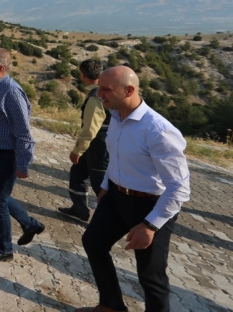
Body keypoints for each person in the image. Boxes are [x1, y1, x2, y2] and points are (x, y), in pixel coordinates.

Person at [78, 66, 190, 312]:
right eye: (99, 88)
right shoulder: (116, 117)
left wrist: (150, 226)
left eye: (106, 89)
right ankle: (112, 305)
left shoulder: (158, 130)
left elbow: (179, 188)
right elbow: (116, 158)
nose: (99, 93)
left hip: (151, 206)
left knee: (150, 274)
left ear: (129, 90)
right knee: (94, 243)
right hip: (117, 196)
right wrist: (107, 186)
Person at [0, 48, 45, 263]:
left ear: (0, 68)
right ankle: (30, 224)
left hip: (9, 156)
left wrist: (23, 164)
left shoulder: (11, 93)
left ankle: (4, 248)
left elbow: (24, 132)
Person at [58, 59, 110, 223]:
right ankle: (79, 209)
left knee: (99, 185)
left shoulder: (96, 97)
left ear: (83, 75)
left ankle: (106, 222)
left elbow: (90, 129)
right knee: (77, 174)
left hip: (98, 149)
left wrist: (77, 150)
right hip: (99, 147)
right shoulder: (105, 91)